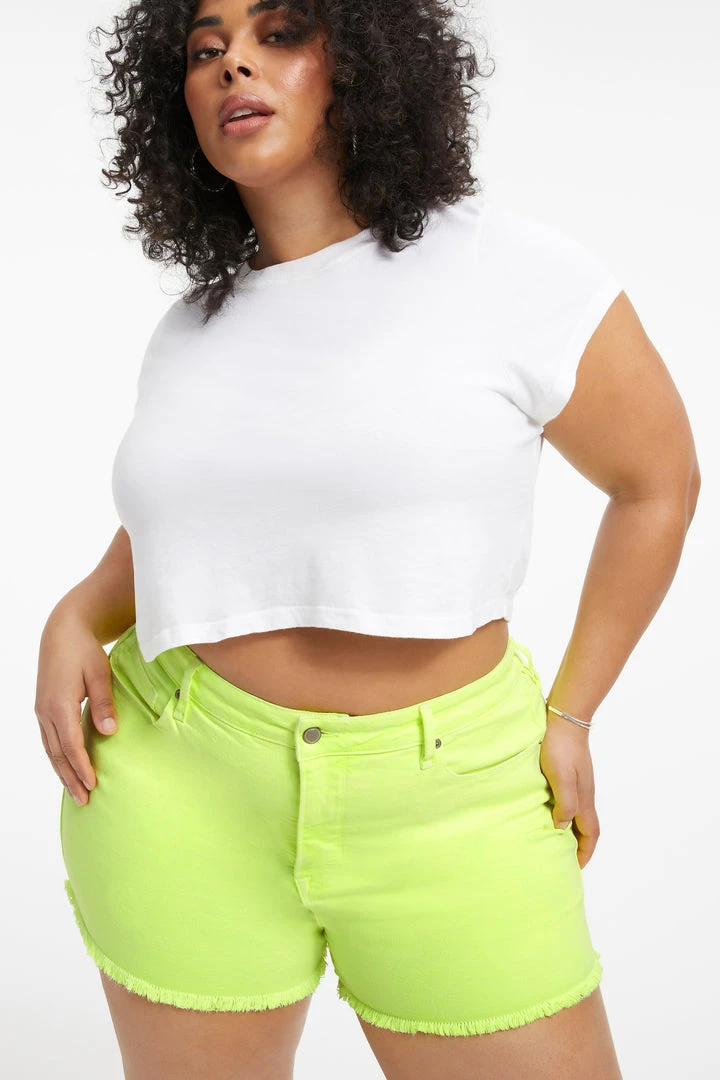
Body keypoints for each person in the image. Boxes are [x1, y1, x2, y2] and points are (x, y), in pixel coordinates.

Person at [36, 1, 700, 1077]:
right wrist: (77, 610)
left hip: (455, 796)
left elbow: (657, 483)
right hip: (180, 786)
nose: (234, 62)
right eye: (205, 49)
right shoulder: (192, 330)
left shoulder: (512, 274)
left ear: (365, 62)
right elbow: (199, 519)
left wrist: (574, 710)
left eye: (278, 32)